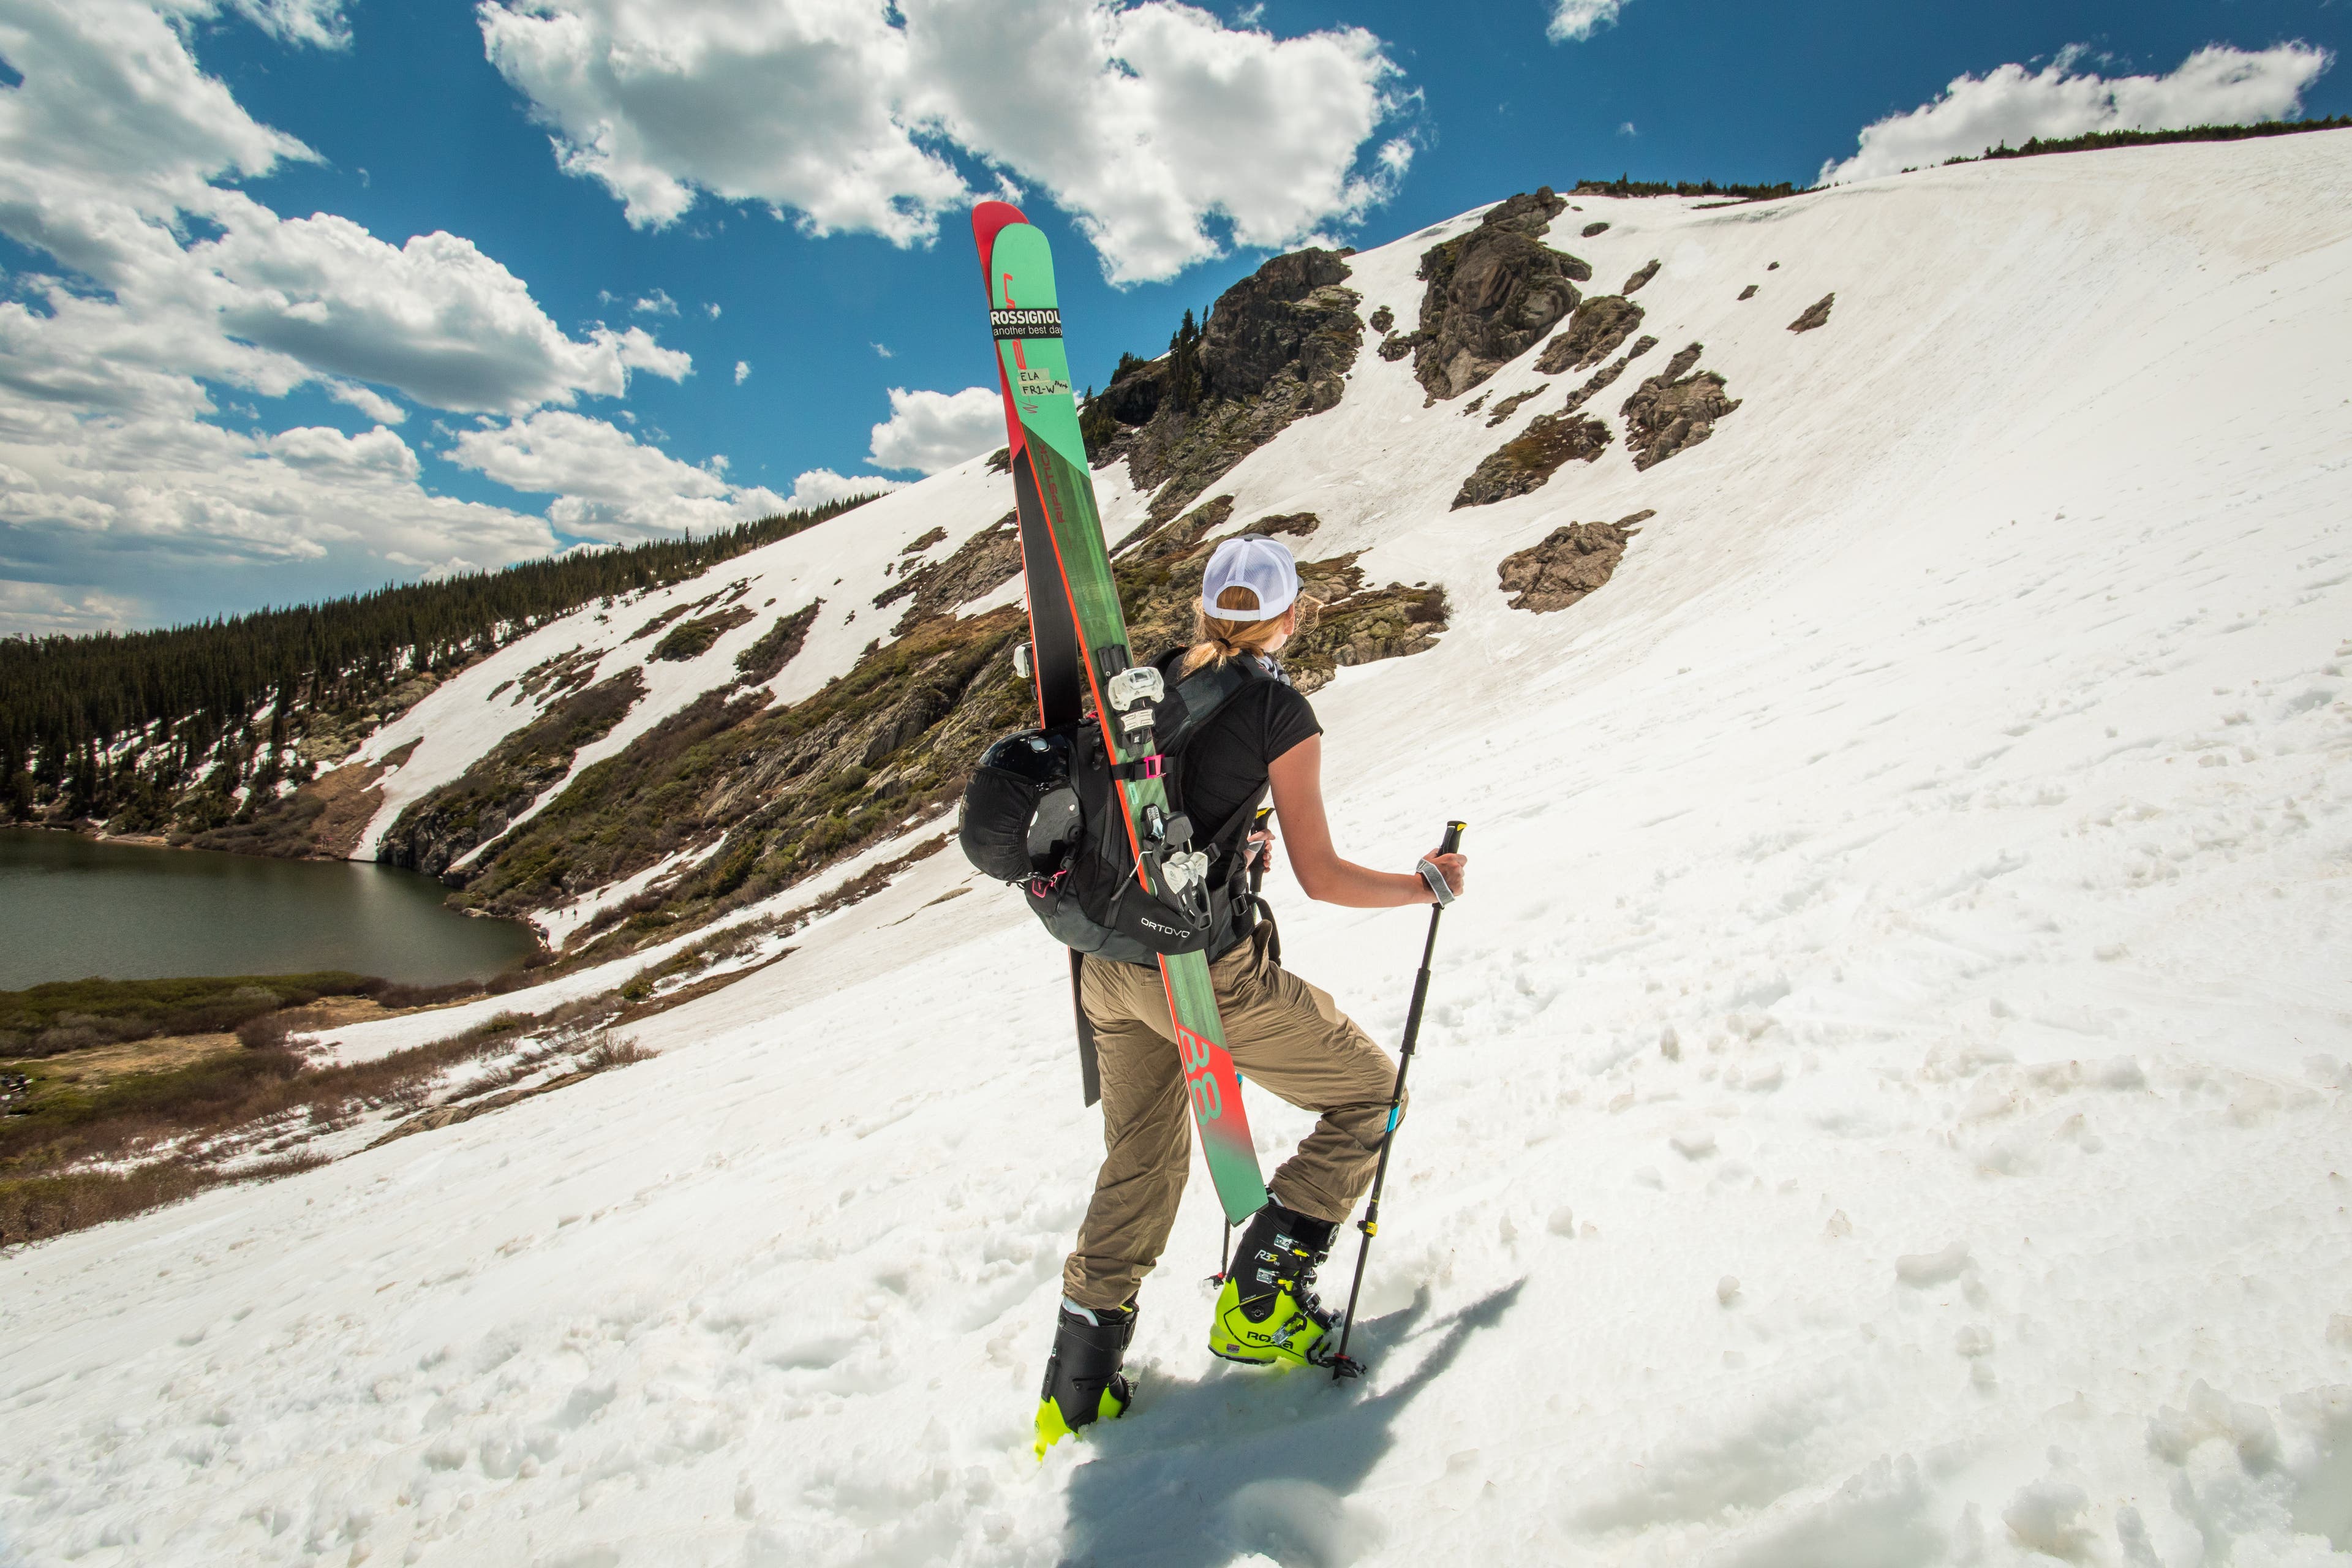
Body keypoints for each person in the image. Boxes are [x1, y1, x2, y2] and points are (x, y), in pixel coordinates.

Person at [1036, 534, 1469, 1455]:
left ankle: (1073, 1390)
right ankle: (1260, 1304)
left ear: (1203, 609)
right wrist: (1420, 882)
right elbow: (1321, 876)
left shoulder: (1151, 679)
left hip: (1109, 970)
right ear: (1292, 611)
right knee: (1370, 1094)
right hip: (1202, 978)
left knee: (1141, 1163)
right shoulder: (1280, 709)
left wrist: (1232, 851)